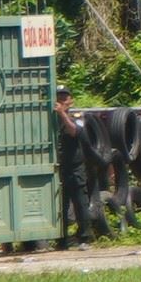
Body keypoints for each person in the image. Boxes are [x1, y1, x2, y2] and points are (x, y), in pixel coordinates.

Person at [55, 86, 91, 251]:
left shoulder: (76, 116)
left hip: (75, 167)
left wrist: (62, 113)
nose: (61, 100)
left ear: (70, 100)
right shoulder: (52, 118)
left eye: (64, 97)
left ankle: (84, 237)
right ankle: (61, 239)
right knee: (60, 204)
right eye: (59, 97)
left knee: (80, 203)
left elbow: (74, 131)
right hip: (59, 167)